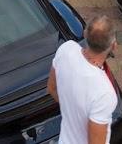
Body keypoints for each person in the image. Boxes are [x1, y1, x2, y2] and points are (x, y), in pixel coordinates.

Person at [47, 16, 118, 144]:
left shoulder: (66, 49)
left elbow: (51, 88)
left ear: (85, 34)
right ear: (113, 46)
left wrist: (71, 108)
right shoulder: (104, 93)